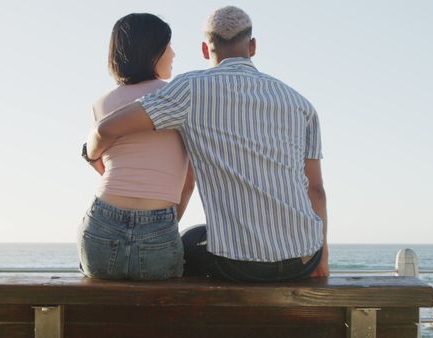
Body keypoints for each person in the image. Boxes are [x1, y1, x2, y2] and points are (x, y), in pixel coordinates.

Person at [85, 6, 328, 282]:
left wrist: (90, 153)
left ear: (204, 49)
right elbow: (316, 191)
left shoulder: (190, 90)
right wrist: (323, 257)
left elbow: (108, 128)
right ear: (253, 46)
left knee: (187, 242)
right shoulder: (302, 105)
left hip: (238, 264)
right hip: (305, 258)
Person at [79, 13, 194, 280]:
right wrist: (162, 226)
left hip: (100, 224)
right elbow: (187, 184)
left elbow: (102, 167)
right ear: (153, 51)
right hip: (158, 223)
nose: (174, 53)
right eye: (168, 46)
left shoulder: (101, 104)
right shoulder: (178, 100)